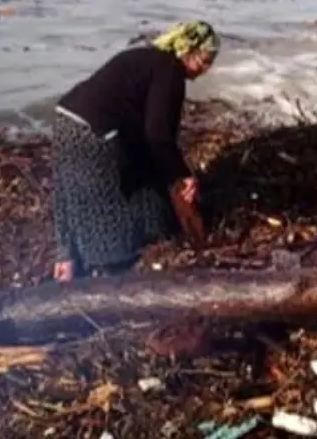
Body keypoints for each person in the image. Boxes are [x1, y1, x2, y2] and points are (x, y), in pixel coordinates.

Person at [50, 21, 218, 282]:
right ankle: (108, 269)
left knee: (69, 190)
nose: (205, 70)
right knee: (109, 207)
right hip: (95, 129)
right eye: (204, 61)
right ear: (188, 50)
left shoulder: (149, 59)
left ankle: (66, 260)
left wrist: (170, 172)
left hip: (65, 118)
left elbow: (150, 133)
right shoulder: (170, 70)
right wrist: (183, 175)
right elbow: (159, 134)